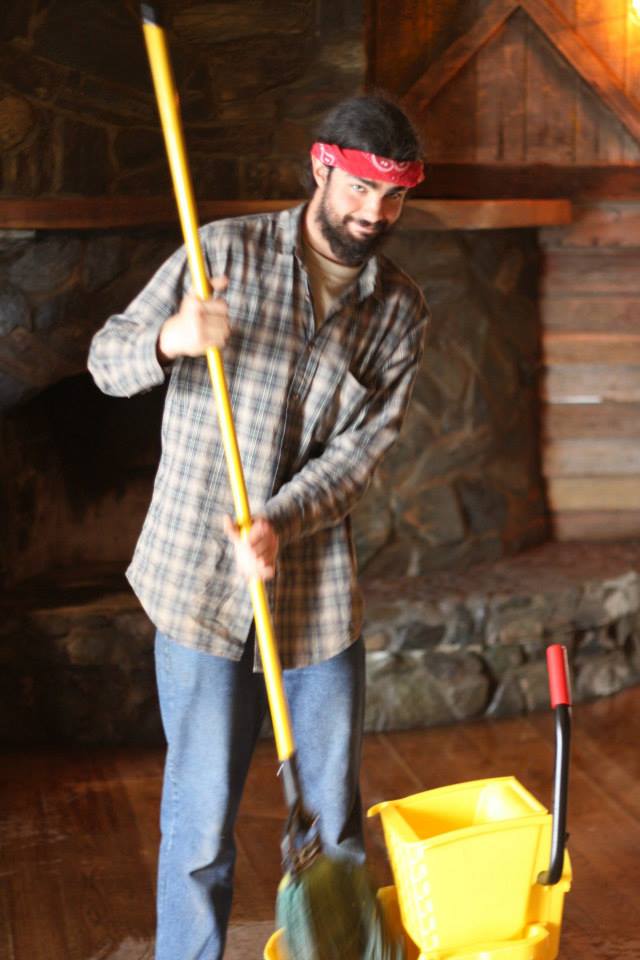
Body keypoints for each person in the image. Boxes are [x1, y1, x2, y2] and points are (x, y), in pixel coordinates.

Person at [88, 93, 429, 960]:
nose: (375, 212)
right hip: (197, 590)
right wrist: (170, 338)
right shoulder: (222, 253)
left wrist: (277, 521)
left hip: (315, 603)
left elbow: (360, 455)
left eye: (393, 197)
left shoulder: (398, 308)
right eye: (360, 188)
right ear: (321, 166)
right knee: (200, 829)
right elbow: (105, 361)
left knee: (336, 825)